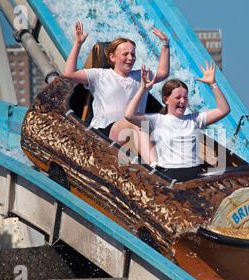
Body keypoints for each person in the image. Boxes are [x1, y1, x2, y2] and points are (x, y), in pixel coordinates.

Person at [63, 21, 170, 165]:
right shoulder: (100, 75)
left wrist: (165, 45)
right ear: (112, 57)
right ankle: (157, 168)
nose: (130, 57)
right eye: (125, 54)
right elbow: (69, 74)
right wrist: (78, 43)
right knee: (134, 123)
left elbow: (163, 73)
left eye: (133, 54)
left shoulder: (140, 76)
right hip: (103, 136)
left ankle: (166, 167)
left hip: (133, 134)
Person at [124, 62, 230, 181]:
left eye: (185, 98)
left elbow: (224, 110)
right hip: (169, 173)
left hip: (192, 172)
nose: (183, 101)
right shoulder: (158, 119)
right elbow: (129, 115)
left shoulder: (194, 119)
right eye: (178, 98)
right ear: (166, 99)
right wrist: (143, 90)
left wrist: (213, 84)